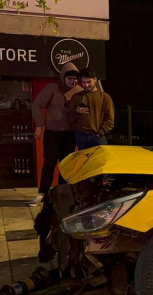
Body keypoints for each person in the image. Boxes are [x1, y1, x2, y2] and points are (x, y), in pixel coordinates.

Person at [28, 63, 83, 207]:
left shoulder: (79, 91)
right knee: (49, 163)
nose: (72, 82)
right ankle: (42, 194)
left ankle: (61, 194)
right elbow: (37, 104)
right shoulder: (53, 88)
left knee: (65, 165)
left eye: (75, 79)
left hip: (70, 134)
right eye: (69, 78)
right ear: (63, 77)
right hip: (52, 133)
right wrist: (39, 125)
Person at [68, 68, 114, 150]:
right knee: (84, 162)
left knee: (100, 161)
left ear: (95, 80)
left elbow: (110, 119)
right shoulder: (76, 97)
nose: (86, 85)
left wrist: (100, 133)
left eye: (89, 82)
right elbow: (69, 117)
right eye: (83, 82)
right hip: (80, 136)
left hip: (97, 136)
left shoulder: (104, 97)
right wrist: (77, 112)